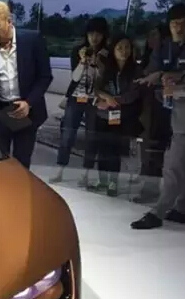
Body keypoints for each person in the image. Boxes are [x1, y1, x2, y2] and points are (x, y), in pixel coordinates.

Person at [132, 12, 185, 229]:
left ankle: (158, 212)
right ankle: (184, 209)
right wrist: (169, 82)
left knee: (174, 168)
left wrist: (175, 90)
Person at [0, 1, 53, 169]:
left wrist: (29, 102)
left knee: (21, 163)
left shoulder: (33, 41)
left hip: (26, 113)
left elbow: (45, 76)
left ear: (9, 21)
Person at [50, 17, 109, 184]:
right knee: (68, 134)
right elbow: (74, 77)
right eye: (91, 34)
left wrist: (99, 64)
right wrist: (83, 61)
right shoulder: (78, 50)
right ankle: (60, 168)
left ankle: (86, 173)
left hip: (94, 100)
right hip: (76, 97)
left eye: (98, 34)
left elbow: (104, 80)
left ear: (103, 35)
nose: (94, 38)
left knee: (92, 136)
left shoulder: (107, 54)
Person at [89, 33, 144, 196]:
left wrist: (113, 100)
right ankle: (102, 180)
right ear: (113, 49)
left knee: (114, 151)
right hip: (103, 114)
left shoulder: (136, 70)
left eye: (127, 47)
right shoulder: (105, 67)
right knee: (102, 149)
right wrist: (105, 97)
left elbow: (133, 94)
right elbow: (95, 88)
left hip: (121, 116)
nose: (124, 51)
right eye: (119, 47)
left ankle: (113, 182)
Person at [135, 23, 173, 203]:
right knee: (147, 149)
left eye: (154, 35)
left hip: (158, 110)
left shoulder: (166, 55)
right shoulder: (150, 56)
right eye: (149, 35)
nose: (150, 39)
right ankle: (147, 184)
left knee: (154, 150)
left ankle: (151, 189)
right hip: (146, 110)